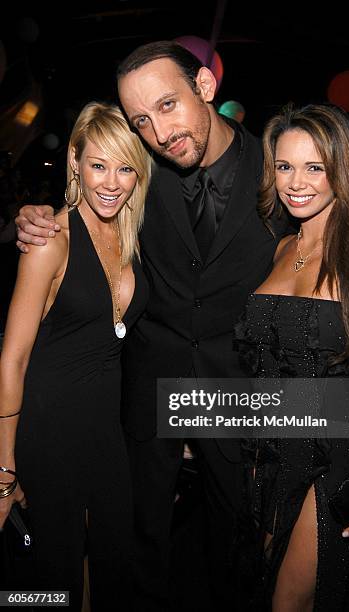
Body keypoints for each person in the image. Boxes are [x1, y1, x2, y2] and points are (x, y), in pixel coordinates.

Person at [14, 42, 349, 611]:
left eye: (168, 105)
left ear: (204, 86)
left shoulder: (276, 171)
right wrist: (39, 216)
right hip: (150, 390)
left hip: (247, 403)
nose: (158, 130)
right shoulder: (136, 173)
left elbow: (340, 215)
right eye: (142, 119)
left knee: (238, 553)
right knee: (133, 545)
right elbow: (88, 207)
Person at [234, 104, 349, 611]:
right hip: (265, 453)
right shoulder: (281, 247)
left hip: (333, 453)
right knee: (268, 587)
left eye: (315, 166)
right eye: (285, 166)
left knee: (287, 600)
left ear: (342, 167)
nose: (296, 182)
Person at [0, 101, 151, 610]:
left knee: (112, 560)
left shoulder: (130, 238)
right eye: (98, 165)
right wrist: (3, 470)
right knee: (50, 577)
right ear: (75, 164)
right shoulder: (50, 241)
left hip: (105, 430)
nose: (111, 182)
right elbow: (11, 360)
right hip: (48, 429)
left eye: (125, 167)